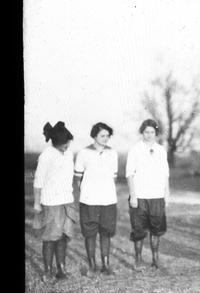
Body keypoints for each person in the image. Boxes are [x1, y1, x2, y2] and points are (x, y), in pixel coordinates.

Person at [33, 122, 78, 281]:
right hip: (51, 203)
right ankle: (47, 271)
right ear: (56, 142)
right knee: (51, 237)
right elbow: (38, 182)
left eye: (68, 143)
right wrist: (37, 203)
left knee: (63, 237)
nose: (67, 146)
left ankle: (61, 268)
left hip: (67, 202)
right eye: (64, 144)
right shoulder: (46, 156)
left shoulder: (69, 154)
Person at [74, 122, 118, 276]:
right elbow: (78, 178)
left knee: (106, 231)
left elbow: (113, 177)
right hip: (89, 200)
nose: (106, 138)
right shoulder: (83, 153)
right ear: (94, 136)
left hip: (108, 200)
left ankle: (106, 264)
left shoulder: (112, 153)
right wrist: (87, 192)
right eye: (102, 136)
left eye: (107, 136)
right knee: (90, 232)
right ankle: (92, 264)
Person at [126, 119, 170, 270]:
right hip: (140, 195)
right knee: (138, 228)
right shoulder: (135, 149)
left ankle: (155, 258)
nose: (149, 135)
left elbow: (165, 174)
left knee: (156, 228)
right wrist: (133, 195)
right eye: (146, 132)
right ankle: (138, 259)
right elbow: (129, 174)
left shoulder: (161, 150)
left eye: (152, 132)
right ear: (142, 132)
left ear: (156, 133)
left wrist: (166, 192)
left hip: (157, 195)